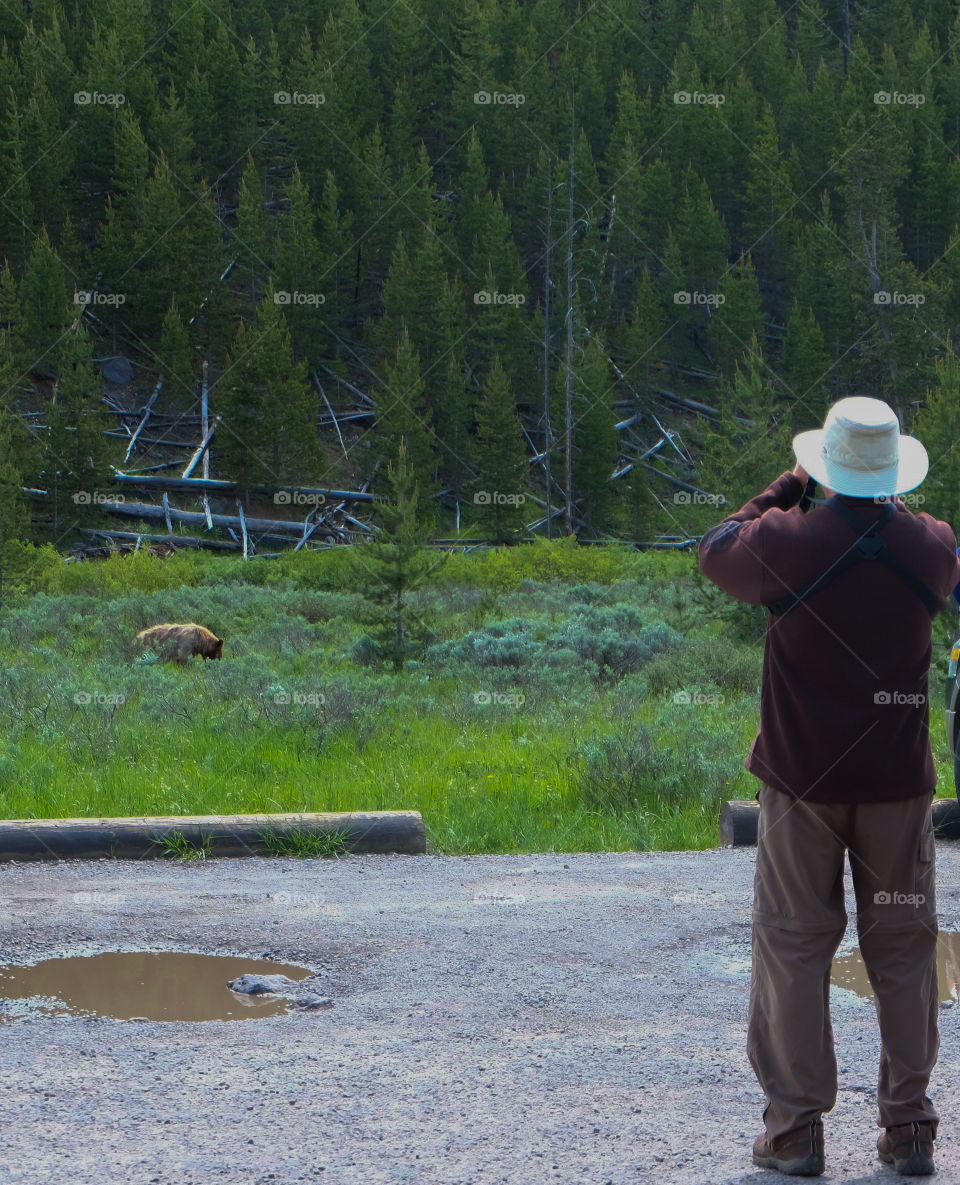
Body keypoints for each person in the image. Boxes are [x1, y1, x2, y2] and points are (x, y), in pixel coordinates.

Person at [698, 397, 960, 1177]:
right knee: (906, 949)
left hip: (802, 782)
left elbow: (716, 549)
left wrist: (786, 485)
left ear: (826, 466)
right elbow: (924, 546)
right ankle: (909, 1126)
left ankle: (795, 1130)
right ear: (892, 470)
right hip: (897, 786)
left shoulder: (789, 537)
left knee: (793, 944)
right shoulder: (933, 546)